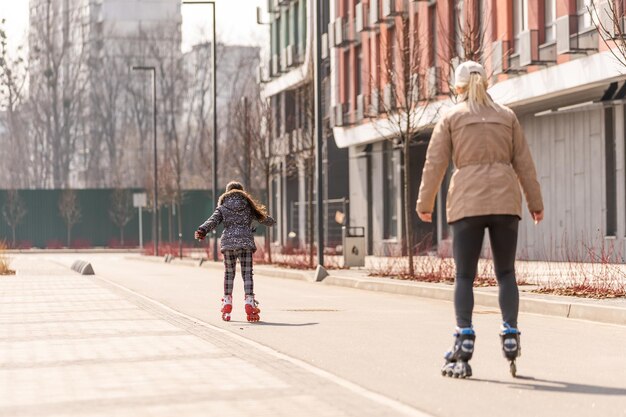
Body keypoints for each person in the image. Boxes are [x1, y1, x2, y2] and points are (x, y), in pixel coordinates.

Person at [416, 61, 544, 378]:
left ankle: (465, 337)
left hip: (466, 203)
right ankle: (511, 333)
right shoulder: (507, 116)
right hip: (505, 201)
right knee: (505, 272)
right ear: (485, 83)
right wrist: (535, 203)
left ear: (457, 87)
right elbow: (525, 163)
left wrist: (425, 202)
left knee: (464, 276)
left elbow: (435, 163)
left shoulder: (451, 117)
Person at [195, 181, 276, 322]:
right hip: (245, 243)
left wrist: (202, 230)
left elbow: (212, 221)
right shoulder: (248, 206)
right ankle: (249, 302)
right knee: (247, 273)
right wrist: (272, 222)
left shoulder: (223, 207)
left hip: (228, 244)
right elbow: (264, 219)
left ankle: (227, 301)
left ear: (227, 192)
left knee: (229, 273)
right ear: (242, 192)